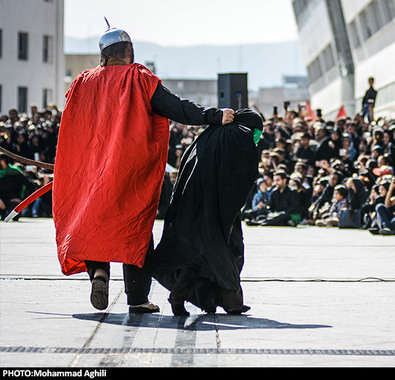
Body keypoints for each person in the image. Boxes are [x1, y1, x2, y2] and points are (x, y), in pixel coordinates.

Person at [52, 23, 234, 313]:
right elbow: (175, 107)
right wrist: (213, 115)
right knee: (135, 231)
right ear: (127, 51)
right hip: (129, 173)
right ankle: (137, 298)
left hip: (90, 172)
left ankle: (98, 273)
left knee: (93, 225)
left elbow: (72, 128)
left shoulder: (83, 81)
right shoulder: (138, 78)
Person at [151, 109, 262, 316]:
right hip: (215, 207)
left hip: (191, 205)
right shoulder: (239, 136)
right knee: (220, 251)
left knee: (198, 253)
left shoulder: (211, 133)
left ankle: (198, 298)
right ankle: (228, 301)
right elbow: (242, 176)